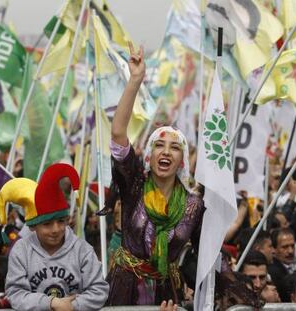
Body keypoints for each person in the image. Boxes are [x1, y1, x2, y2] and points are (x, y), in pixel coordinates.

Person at [105, 42, 260, 308]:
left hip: (166, 296)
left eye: (175, 147)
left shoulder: (193, 205)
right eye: (159, 146)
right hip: (124, 291)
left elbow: (211, 255)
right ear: (150, 156)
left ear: (181, 161)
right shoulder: (134, 185)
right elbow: (118, 133)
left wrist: (244, 294)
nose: (166, 152)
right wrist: (136, 80)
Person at [2, 163, 109, 311]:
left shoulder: (82, 249)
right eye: (47, 224)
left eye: (61, 221)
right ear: (33, 226)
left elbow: (99, 291)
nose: (56, 229)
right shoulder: (22, 250)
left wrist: (72, 306)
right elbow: (15, 293)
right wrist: (51, 303)